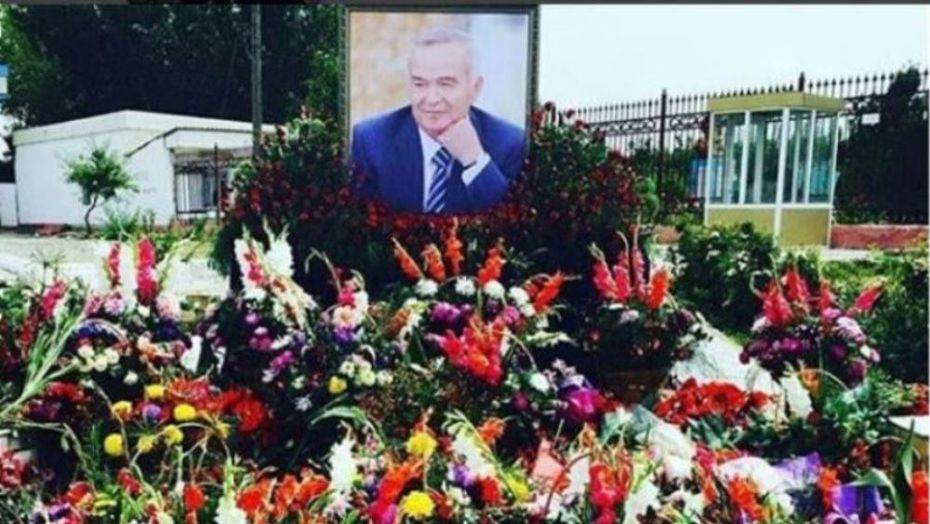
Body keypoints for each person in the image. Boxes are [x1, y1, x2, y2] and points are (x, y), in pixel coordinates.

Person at [351, 27, 525, 214]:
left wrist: (475, 160)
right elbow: (357, 222)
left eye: (445, 84)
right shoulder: (371, 140)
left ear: (475, 88)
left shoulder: (511, 144)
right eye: (420, 84)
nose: (432, 98)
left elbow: (511, 224)